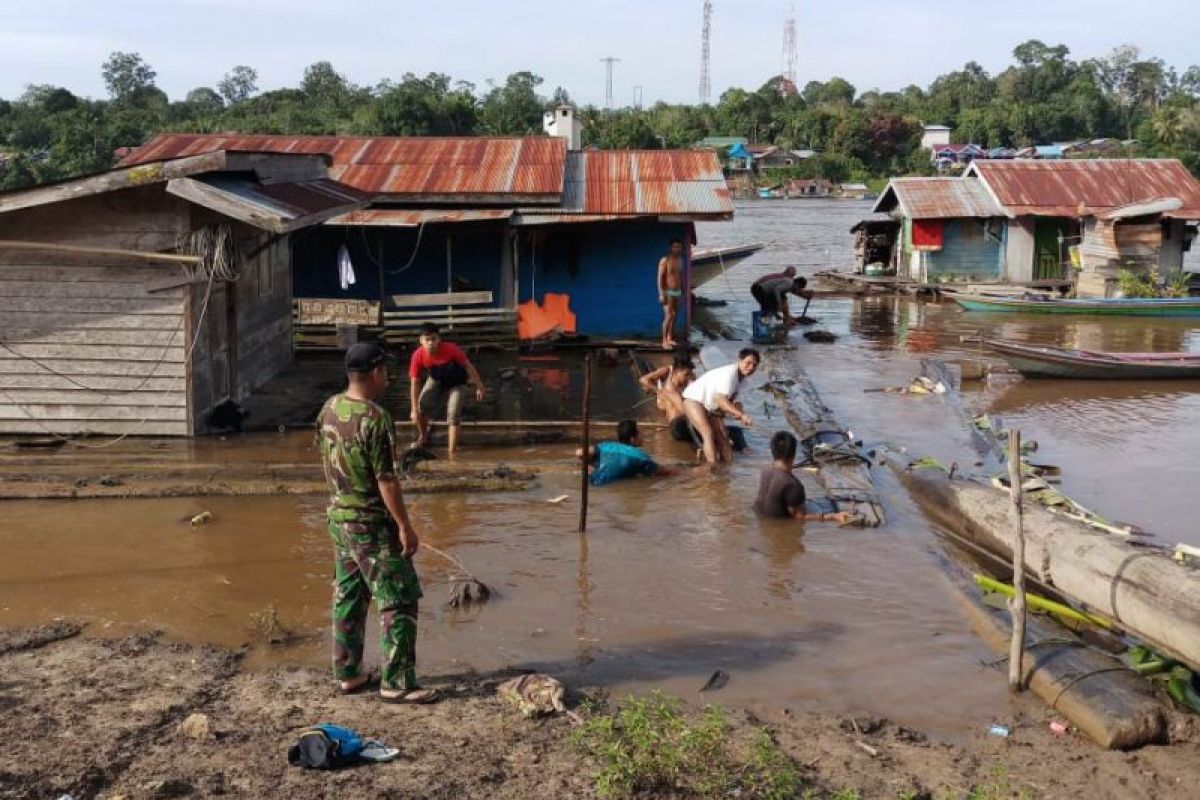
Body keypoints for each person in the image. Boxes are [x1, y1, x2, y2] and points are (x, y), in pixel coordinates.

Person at [316, 342, 438, 704]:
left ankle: (348, 673)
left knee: (350, 593)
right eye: (385, 370)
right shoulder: (375, 418)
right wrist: (405, 525)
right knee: (398, 596)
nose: (389, 376)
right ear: (374, 373)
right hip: (370, 521)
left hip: (339, 517)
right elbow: (386, 479)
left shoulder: (329, 408)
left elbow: (327, 460)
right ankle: (398, 682)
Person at [409, 323, 485, 455]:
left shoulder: (451, 349)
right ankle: (423, 436)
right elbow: (414, 383)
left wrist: (479, 386)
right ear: (421, 341)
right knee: (421, 407)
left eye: (434, 339)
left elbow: (468, 366)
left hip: (457, 381)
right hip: (436, 378)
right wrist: (414, 409)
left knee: (453, 413)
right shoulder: (418, 355)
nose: (431, 343)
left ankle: (452, 451)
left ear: (439, 339)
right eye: (427, 340)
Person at [755, 431, 854, 523]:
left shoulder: (765, 471)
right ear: (793, 454)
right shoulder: (793, 485)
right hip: (779, 526)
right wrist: (833, 516)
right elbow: (800, 518)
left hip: (761, 519)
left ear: (773, 451)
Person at [682, 348, 759, 463]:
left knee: (723, 435)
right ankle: (712, 467)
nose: (751, 367)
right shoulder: (729, 374)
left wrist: (741, 414)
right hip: (694, 399)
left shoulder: (744, 382)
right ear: (739, 360)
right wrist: (740, 415)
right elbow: (720, 400)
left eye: (754, 365)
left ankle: (727, 467)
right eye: (748, 363)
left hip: (710, 406)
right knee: (708, 432)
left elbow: (737, 402)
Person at [577, 419, 675, 486]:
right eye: (640, 434)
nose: (642, 436)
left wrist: (592, 463)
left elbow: (579, 453)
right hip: (607, 488)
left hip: (589, 483)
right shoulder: (640, 457)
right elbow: (665, 472)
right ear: (632, 439)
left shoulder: (606, 446)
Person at [638, 352, 696, 442]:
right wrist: (659, 391)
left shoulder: (689, 375)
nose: (688, 377)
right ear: (678, 370)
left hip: (674, 402)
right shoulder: (667, 370)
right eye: (686, 374)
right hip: (664, 403)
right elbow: (643, 380)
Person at [657, 239, 685, 349]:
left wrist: (683, 291)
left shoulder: (680, 260)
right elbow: (659, 278)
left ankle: (670, 338)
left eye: (679, 246)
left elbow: (680, 277)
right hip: (668, 292)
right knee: (668, 316)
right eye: (675, 246)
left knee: (675, 316)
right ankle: (664, 341)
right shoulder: (665, 260)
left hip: (678, 292)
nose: (677, 249)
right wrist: (661, 293)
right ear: (670, 247)